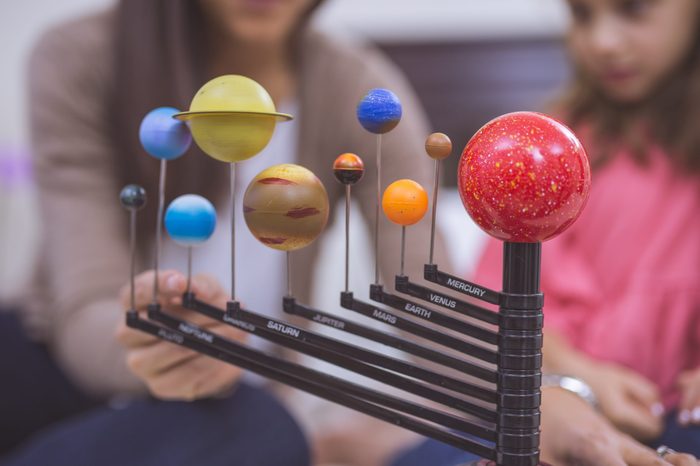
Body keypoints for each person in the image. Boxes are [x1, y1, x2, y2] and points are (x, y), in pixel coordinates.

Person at [2, 0, 446, 465]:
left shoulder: (359, 90)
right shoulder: (81, 55)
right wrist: (155, 345)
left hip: (224, 408)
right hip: (68, 374)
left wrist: (517, 388)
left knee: (265, 428)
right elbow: (85, 297)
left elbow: (422, 293)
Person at [474, 0, 700, 459]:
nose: (603, 42)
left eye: (633, 11)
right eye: (582, 15)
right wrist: (576, 374)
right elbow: (489, 303)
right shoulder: (545, 147)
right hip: (540, 409)